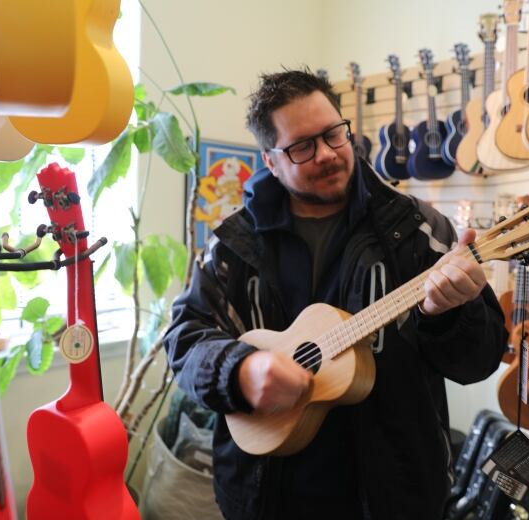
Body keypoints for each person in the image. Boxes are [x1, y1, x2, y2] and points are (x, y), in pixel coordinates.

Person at [163, 68, 507, 520]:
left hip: (395, 500)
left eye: (334, 134)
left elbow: (479, 361)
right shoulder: (233, 244)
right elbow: (184, 339)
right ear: (270, 161)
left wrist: (449, 314)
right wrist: (240, 371)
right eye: (303, 146)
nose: (326, 154)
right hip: (265, 498)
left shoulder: (419, 231)